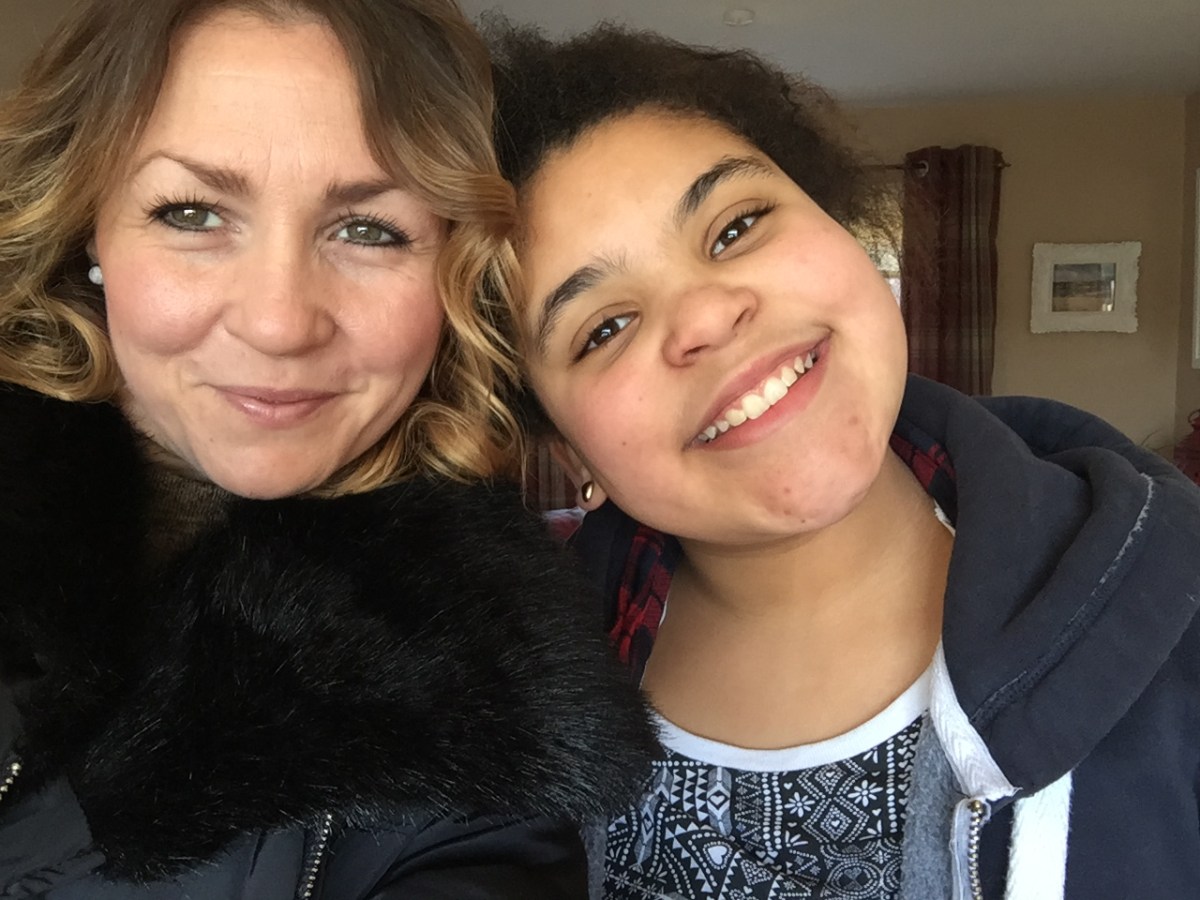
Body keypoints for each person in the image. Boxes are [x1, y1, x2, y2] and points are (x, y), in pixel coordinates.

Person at [488, 22, 1200, 900]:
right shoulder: (497, 702)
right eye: (603, 328)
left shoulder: (1176, 622)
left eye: (736, 226)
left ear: (844, 229)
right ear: (568, 449)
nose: (707, 317)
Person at [0, 2, 657, 896]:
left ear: (457, 276)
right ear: (90, 231)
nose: (279, 322)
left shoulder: (489, 712)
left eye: (369, 229)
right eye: (193, 213)